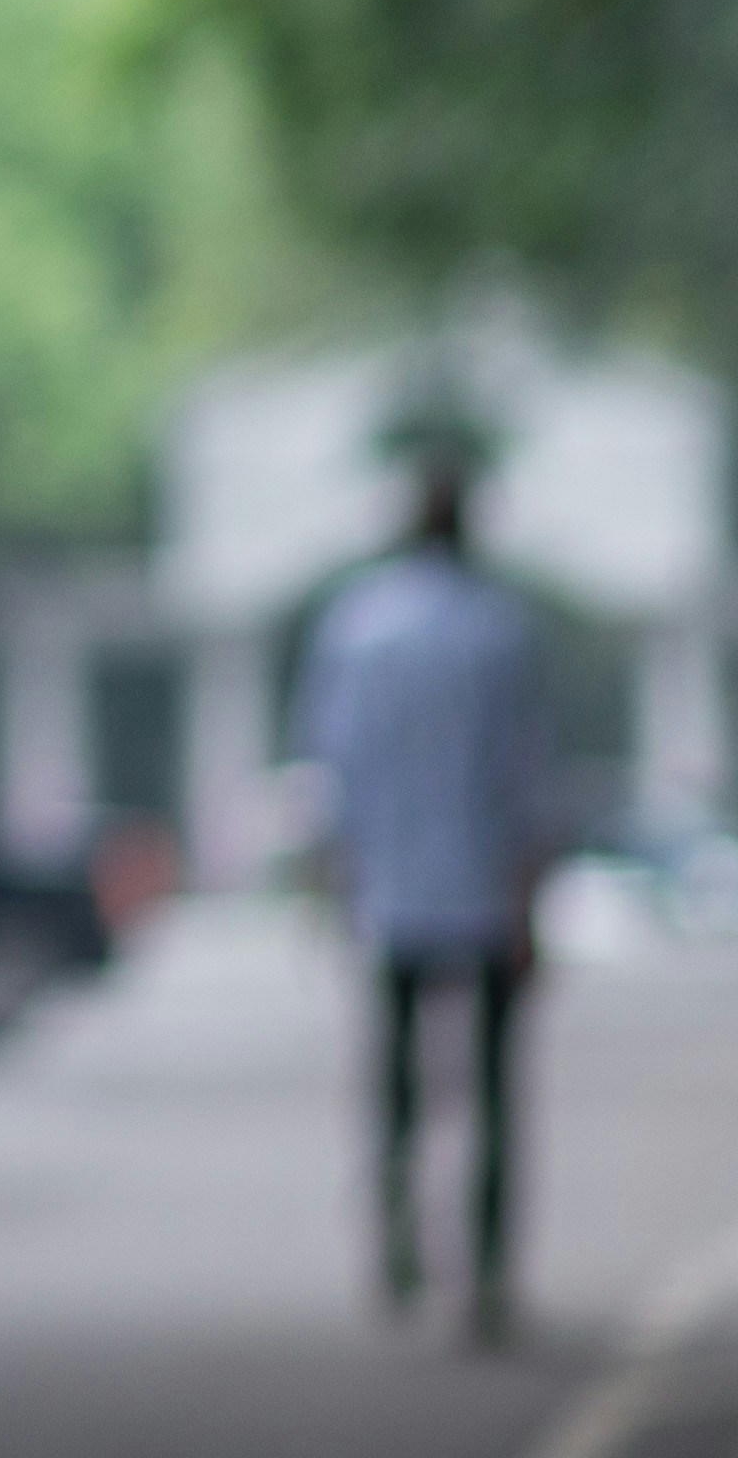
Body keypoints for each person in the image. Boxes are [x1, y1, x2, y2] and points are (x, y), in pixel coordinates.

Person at [295, 459, 553, 1346]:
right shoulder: (497, 631)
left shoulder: (357, 628)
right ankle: (485, 1272)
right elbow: (525, 781)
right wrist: (529, 899)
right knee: (492, 1093)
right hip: (482, 892)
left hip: (393, 892)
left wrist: (331, 883)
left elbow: (332, 772)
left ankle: (396, 1244)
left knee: (396, 1087)